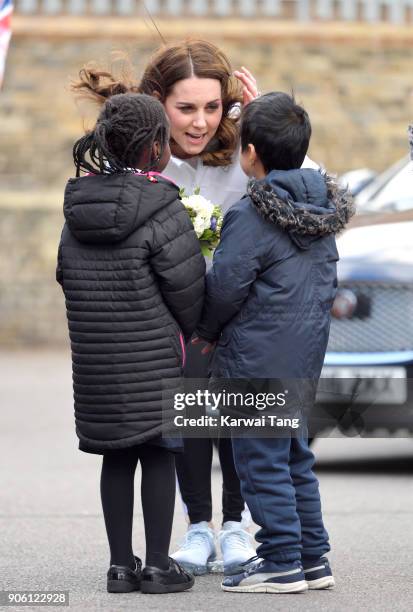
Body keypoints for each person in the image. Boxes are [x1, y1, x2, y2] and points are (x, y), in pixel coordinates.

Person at [72, 39, 258, 577]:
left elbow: (309, 185)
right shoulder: (140, 160)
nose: (201, 122)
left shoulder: (247, 149)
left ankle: (237, 527)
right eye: (186, 108)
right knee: (188, 422)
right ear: (158, 104)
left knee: (246, 418)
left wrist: (263, 117)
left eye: (212, 106)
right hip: (177, 323)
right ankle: (198, 527)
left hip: (241, 312)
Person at [195, 92, 354, 593]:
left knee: (259, 459)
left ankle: (281, 559)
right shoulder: (320, 208)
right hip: (304, 356)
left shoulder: (252, 213)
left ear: (252, 154)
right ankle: (313, 558)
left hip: (255, 358)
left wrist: (206, 331)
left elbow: (225, 287)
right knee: (293, 457)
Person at [56, 92, 205, 594]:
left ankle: (120, 566)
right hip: (156, 361)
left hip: (97, 361)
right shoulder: (163, 205)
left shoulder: (77, 207)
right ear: (156, 144)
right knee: (160, 454)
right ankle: (159, 565)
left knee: (115, 455)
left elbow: (66, 276)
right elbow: (188, 294)